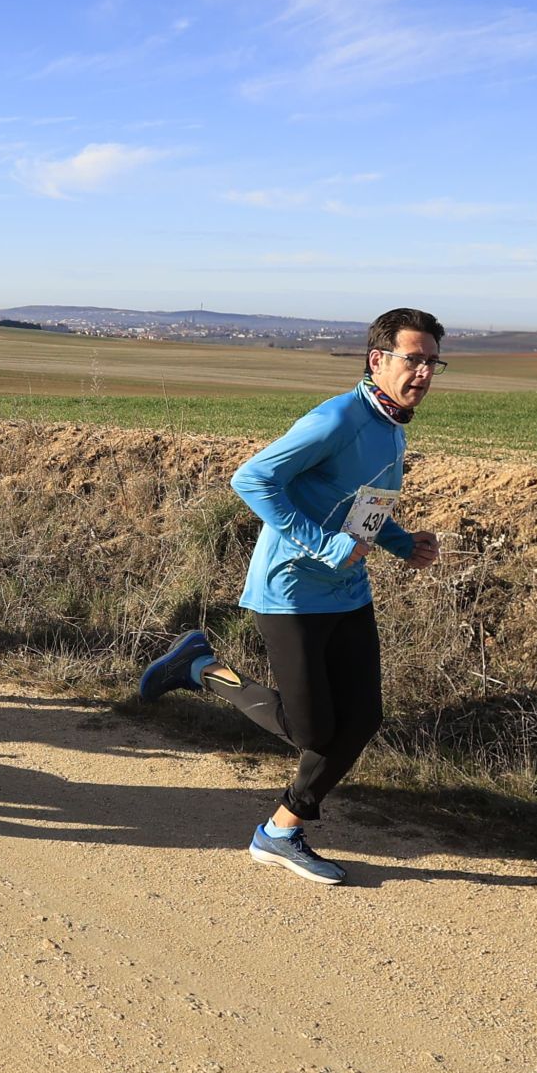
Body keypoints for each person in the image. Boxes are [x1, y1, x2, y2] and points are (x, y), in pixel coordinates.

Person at [138, 307, 447, 885]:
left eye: (433, 361)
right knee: (312, 732)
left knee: (362, 719)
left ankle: (280, 831)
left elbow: (360, 505)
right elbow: (251, 479)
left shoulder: (391, 424)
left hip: (348, 592)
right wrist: (324, 545)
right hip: (291, 593)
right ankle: (200, 667)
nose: (424, 372)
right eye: (414, 359)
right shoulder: (337, 419)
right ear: (377, 359)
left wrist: (404, 543)